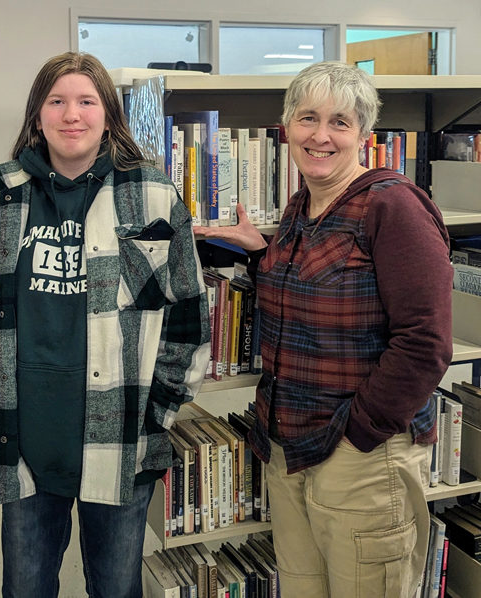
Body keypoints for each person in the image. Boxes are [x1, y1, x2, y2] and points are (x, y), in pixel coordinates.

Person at [0, 51, 210, 598]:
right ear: (37, 114)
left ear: (108, 114)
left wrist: (157, 413)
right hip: (22, 444)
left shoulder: (154, 195)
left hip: (121, 446)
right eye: (58, 101)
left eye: (87, 101)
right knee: (26, 589)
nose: (73, 114)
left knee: (116, 590)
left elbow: (188, 316)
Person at [197, 61, 453, 597]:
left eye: (340, 122)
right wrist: (261, 254)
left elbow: (426, 343)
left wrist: (358, 434)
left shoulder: (393, 205)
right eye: (307, 118)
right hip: (290, 449)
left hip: (358, 456)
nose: (320, 135)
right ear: (286, 127)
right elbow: (315, 297)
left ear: (364, 134)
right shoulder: (300, 207)